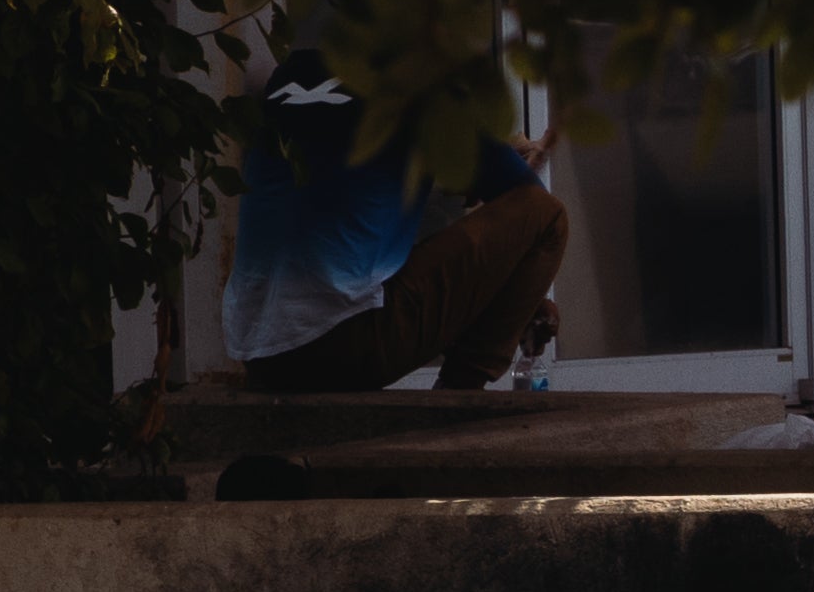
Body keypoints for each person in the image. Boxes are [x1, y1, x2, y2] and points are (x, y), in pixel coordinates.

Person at [223, 48, 562, 398]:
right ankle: (458, 398)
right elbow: (525, 205)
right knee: (546, 215)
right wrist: (529, 304)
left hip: (254, 350)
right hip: (342, 347)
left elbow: (346, 195)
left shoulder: (291, 73)